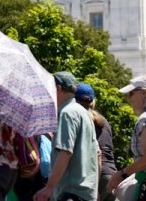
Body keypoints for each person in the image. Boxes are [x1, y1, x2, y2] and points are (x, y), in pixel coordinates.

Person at [34, 72, 99, 201]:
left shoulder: (67, 113)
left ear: (58, 89)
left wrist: (49, 187)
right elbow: (97, 153)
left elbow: (65, 153)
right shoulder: (83, 112)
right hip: (85, 192)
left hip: (70, 192)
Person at [75, 83, 118, 201]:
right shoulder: (103, 120)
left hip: (96, 177)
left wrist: (95, 187)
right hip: (111, 174)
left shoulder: (81, 120)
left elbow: (97, 154)